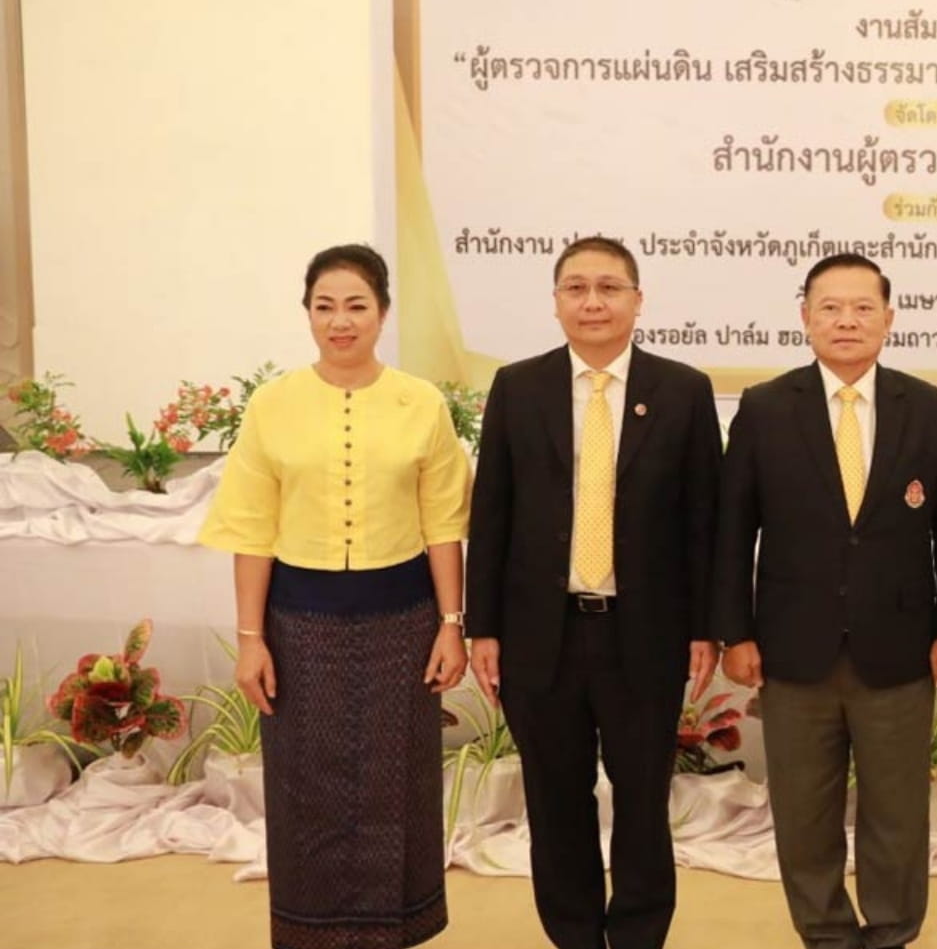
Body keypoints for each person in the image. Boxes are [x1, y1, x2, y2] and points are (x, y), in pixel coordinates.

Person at [199, 243, 470, 949]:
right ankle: (309, 932)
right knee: (305, 786)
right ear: (308, 315)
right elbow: (252, 529)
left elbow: (443, 524)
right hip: (299, 626)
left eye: (356, 305)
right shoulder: (273, 404)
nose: (340, 321)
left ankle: (397, 928)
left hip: (403, 624)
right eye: (325, 307)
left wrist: (451, 624)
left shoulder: (421, 402)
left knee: (396, 781)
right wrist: (251, 639)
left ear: (383, 312)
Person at [465, 235, 722, 949]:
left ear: (638, 301)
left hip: (645, 633)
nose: (593, 302)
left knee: (643, 801)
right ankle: (575, 935)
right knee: (555, 800)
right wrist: (483, 626)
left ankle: (638, 935)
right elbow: (492, 513)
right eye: (576, 288)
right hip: (540, 633)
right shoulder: (518, 387)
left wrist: (705, 625)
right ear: (556, 303)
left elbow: (704, 519)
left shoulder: (683, 390)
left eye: (610, 288)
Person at [714, 251, 937, 949]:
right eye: (830, 307)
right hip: (793, 648)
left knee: (897, 811)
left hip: (899, 648)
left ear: (889, 318)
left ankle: (892, 930)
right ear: (805, 318)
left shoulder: (928, 407)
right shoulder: (765, 407)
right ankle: (826, 933)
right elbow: (733, 532)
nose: (847, 320)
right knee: (804, 812)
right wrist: (736, 632)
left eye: (863, 307)